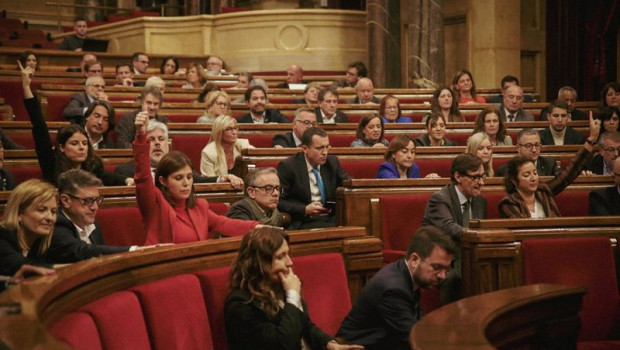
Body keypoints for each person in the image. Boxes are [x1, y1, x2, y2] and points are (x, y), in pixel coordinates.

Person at [225, 227, 363, 350]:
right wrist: (292, 295)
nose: (289, 262)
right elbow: (283, 344)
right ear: (260, 262)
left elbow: (305, 326)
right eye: (280, 257)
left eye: (288, 254)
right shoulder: (241, 304)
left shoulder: (280, 287)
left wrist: (329, 344)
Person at [133, 113, 258, 244]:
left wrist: (256, 227)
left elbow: (224, 223)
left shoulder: (199, 206)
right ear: (163, 181)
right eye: (178, 178)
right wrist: (141, 136)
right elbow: (143, 177)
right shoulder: (154, 204)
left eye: (189, 177)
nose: (186, 183)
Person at [337, 226, 456, 350]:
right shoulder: (393, 289)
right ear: (414, 260)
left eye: (446, 269)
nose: (442, 276)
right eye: (437, 267)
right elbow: (416, 339)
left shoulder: (407, 274)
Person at [20, 61, 132, 187]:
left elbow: (109, 177)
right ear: (62, 147)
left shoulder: (92, 164)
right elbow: (39, 126)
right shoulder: (51, 162)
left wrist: (126, 180)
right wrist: (26, 87)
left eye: (84, 143)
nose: (82, 147)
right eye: (74, 143)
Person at [499, 112, 600, 218]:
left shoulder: (543, 191)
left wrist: (591, 140)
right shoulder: (508, 204)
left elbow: (567, 175)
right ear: (514, 180)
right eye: (526, 175)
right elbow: (524, 229)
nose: (533, 178)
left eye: (534, 173)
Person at [422, 153, 487, 303]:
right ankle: (449, 323)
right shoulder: (439, 199)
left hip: (468, 257)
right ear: (458, 177)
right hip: (440, 259)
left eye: (483, 177)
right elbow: (450, 228)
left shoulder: (480, 200)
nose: (481, 182)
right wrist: (478, 235)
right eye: (476, 177)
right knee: (454, 278)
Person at [114, 120, 243, 188]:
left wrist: (222, 178)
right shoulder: (125, 171)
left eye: (161, 139)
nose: (157, 143)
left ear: (168, 145)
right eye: (151, 140)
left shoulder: (179, 164)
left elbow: (199, 180)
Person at [46, 169, 132, 263]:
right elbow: (80, 251)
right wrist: (132, 251)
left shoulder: (93, 225)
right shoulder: (55, 224)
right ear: (66, 200)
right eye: (88, 200)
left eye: (97, 199)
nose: (95, 207)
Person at [277, 127, 349, 229]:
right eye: (319, 148)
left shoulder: (332, 162)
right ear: (305, 149)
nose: (325, 152)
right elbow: (279, 201)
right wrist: (304, 209)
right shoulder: (288, 166)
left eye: (327, 147)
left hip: (331, 218)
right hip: (303, 220)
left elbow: (348, 185)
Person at [0, 179, 58, 277]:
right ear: (19, 214)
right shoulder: (2, 236)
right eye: (41, 210)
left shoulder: (44, 240)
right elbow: (21, 266)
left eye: (53, 211)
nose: (50, 218)